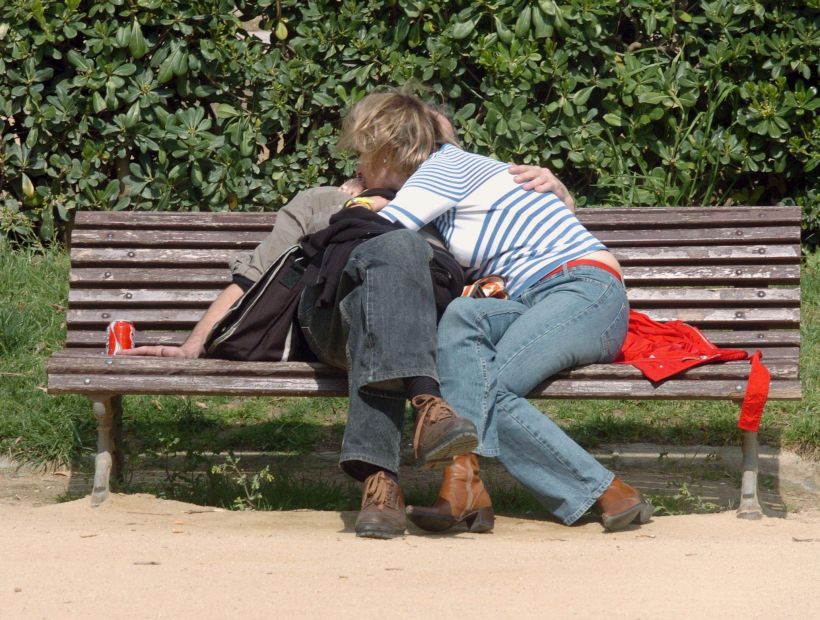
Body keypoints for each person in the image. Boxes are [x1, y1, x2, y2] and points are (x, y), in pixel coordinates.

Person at [120, 103, 573, 538]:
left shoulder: (451, 209)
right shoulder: (320, 201)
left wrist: (559, 192)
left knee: (386, 298)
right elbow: (253, 277)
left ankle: (381, 485)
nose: (436, 156)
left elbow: (530, 249)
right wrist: (194, 344)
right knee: (395, 253)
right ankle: (427, 404)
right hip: (328, 324)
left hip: (423, 332)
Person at [337, 88, 653, 533]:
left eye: (363, 154)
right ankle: (464, 488)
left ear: (390, 147)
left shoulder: (444, 167)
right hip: (530, 300)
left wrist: (363, 197)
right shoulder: (453, 182)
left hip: (583, 290)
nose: (358, 166)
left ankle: (609, 491)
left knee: (486, 391)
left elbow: (379, 228)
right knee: (461, 317)